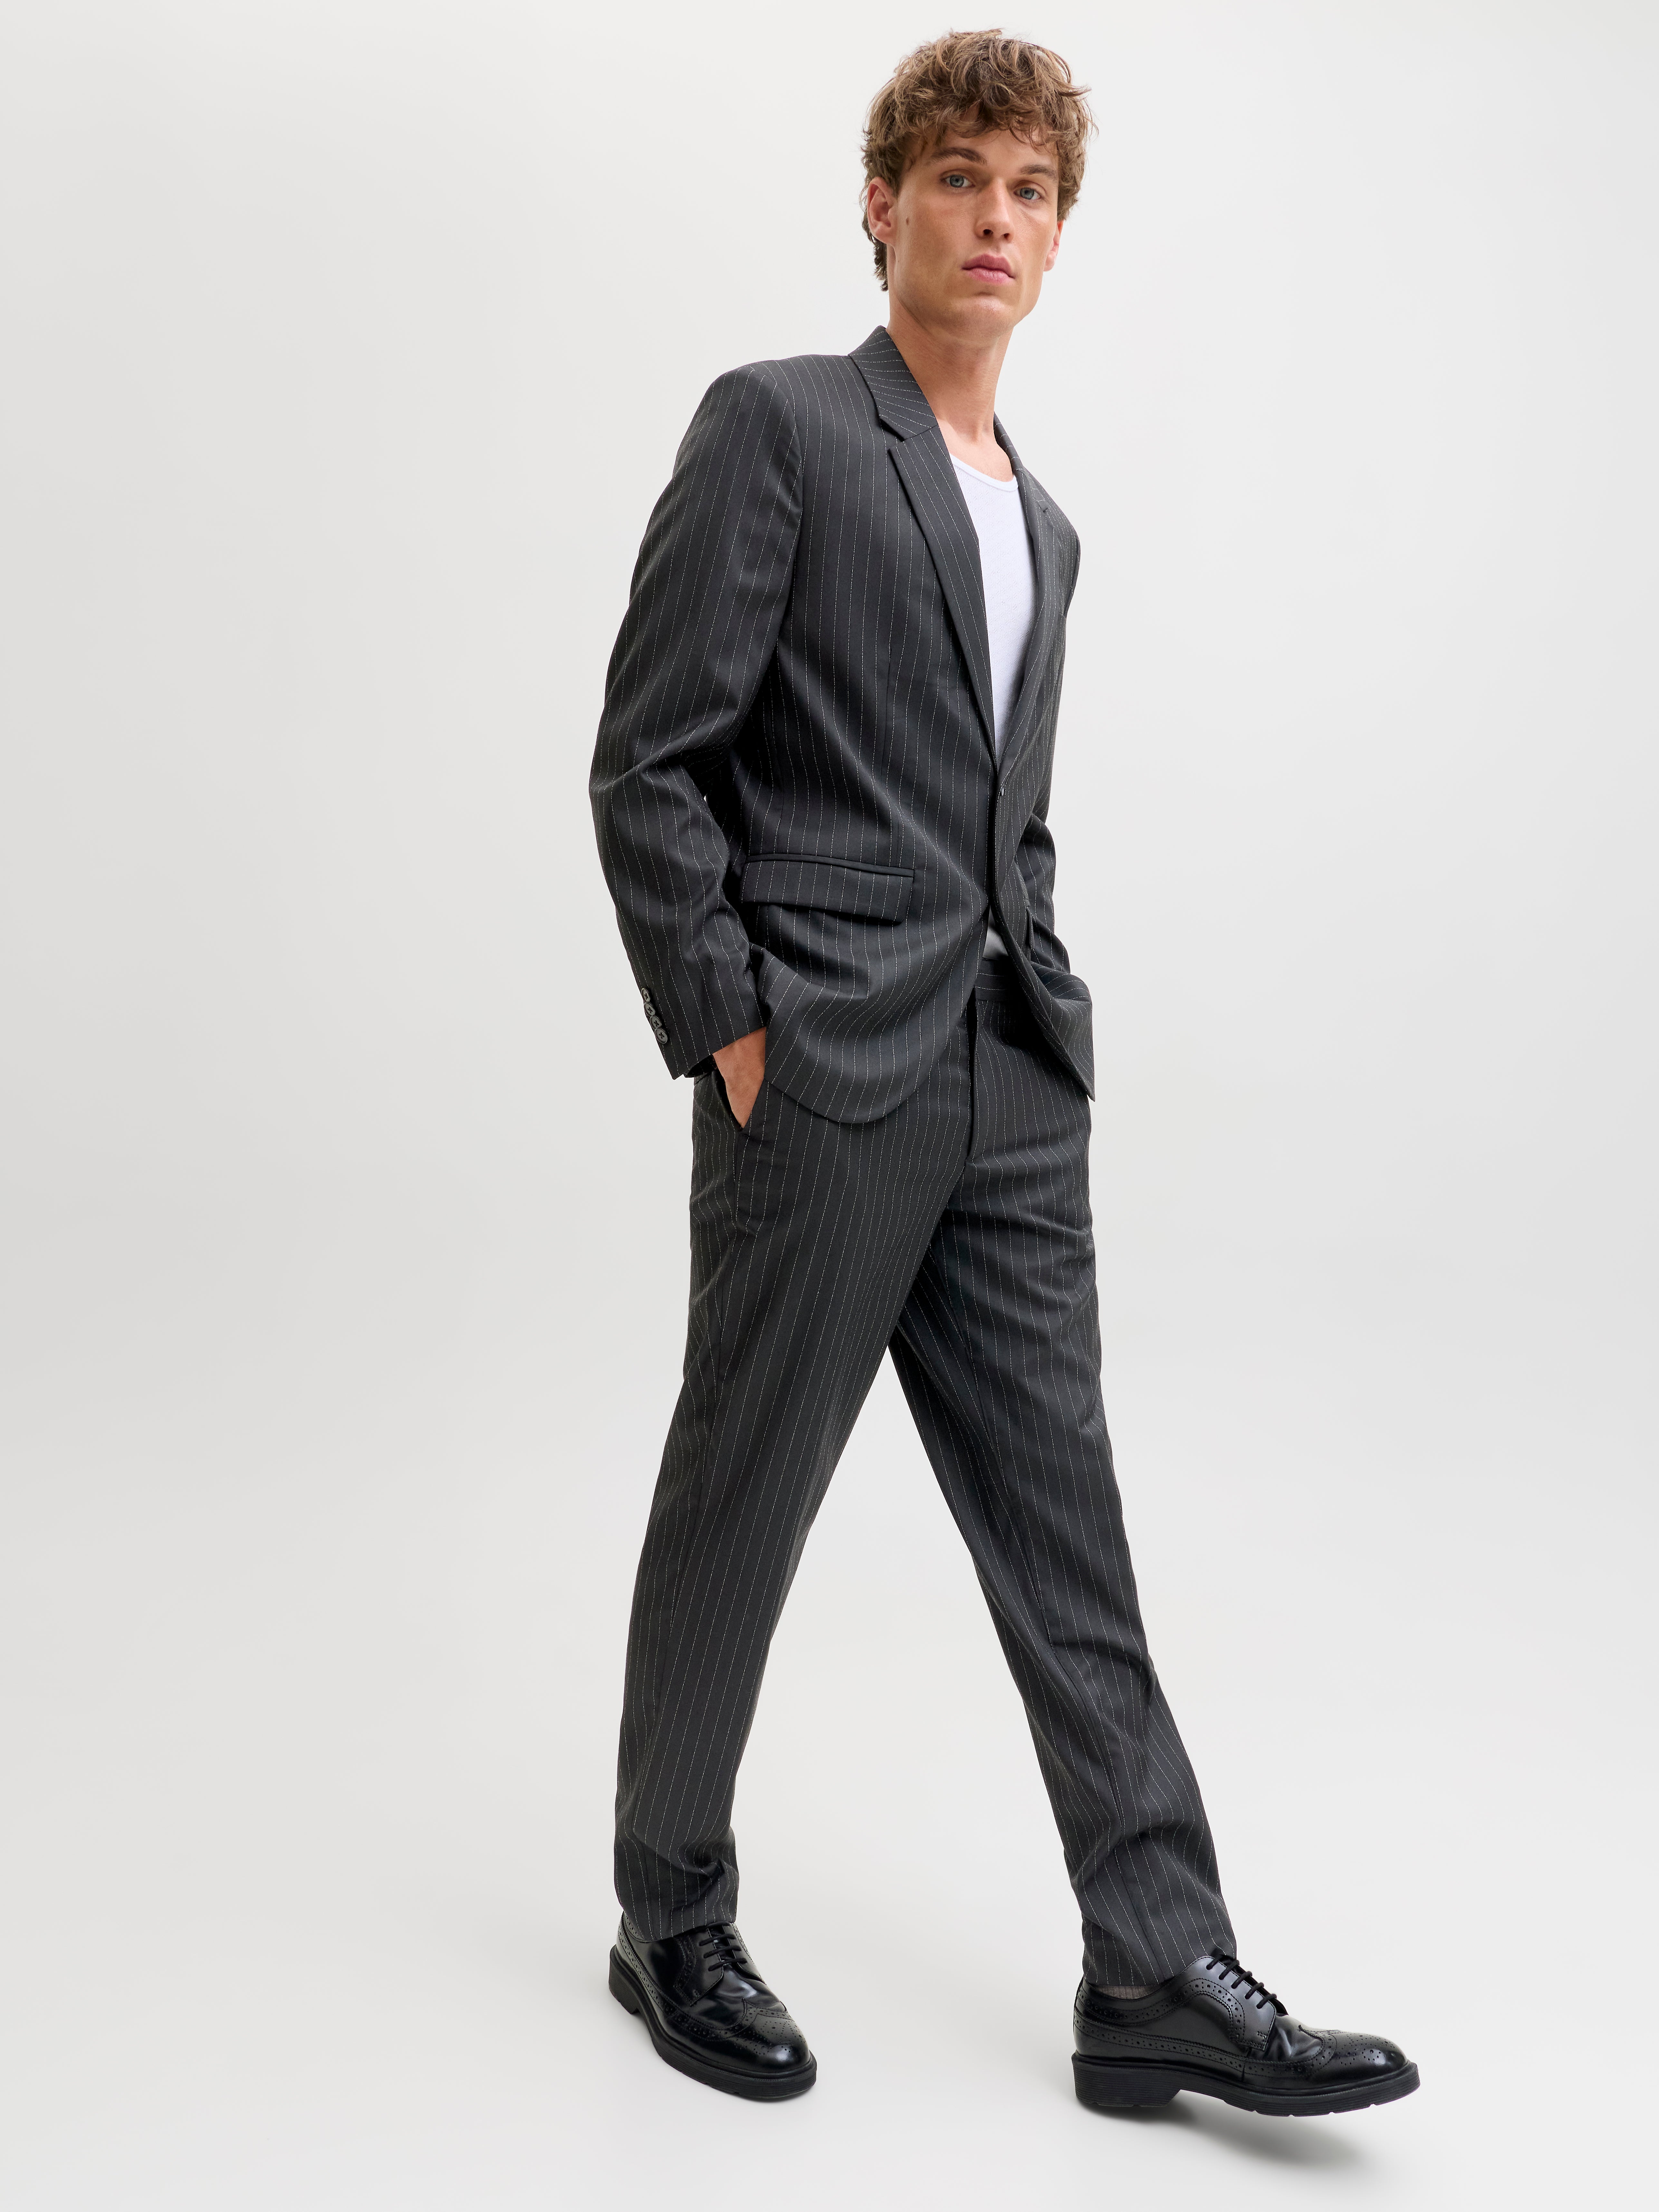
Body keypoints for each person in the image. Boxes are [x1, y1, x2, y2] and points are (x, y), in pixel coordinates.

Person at [590, 30, 1417, 2119]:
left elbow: (999, 819)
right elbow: (651, 761)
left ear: (1059, 237)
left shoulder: (1045, 522)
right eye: (958, 177)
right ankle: (669, 1908)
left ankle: (1155, 1960)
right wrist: (737, 1026)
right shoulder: (782, 427)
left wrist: (1038, 992)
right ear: (883, 206)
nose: (994, 217)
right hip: (821, 1075)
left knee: (1071, 1528)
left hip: (1008, 1080)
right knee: (743, 1495)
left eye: (1030, 190)